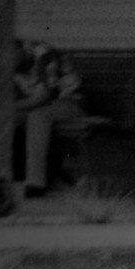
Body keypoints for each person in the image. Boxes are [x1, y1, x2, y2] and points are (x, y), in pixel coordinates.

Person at [14, 40, 84, 198]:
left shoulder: (44, 55)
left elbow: (42, 97)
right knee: (16, 120)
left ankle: (35, 183)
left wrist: (3, 107)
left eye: (11, 56)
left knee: (37, 117)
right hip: (44, 106)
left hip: (69, 104)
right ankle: (50, 173)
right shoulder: (13, 65)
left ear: (19, 50)